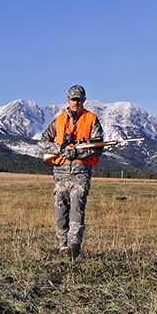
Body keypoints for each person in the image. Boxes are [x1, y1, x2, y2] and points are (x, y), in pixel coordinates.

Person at [38, 85, 105, 258]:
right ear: (68, 100)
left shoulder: (92, 119)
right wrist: (62, 149)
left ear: (84, 100)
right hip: (60, 173)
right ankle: (62, 246)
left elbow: (97, 147)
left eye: (80, 99)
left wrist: (76, 152)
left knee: (77, 209)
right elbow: (42, 143)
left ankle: (74, 245)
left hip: (81, 173)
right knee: (61, 213)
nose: (77, 102)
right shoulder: (59, 120)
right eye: (74, 99)